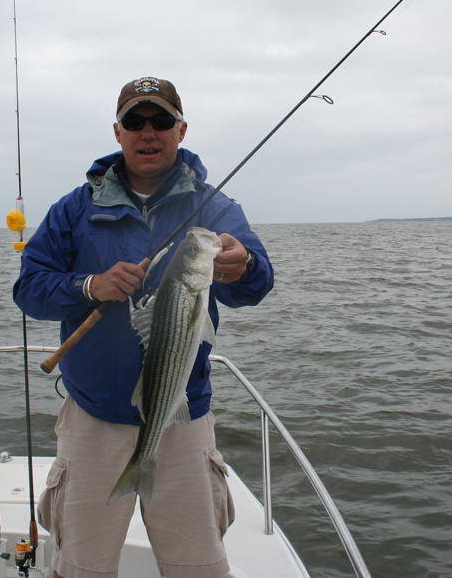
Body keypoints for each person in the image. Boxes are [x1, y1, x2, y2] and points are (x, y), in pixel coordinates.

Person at [14, 76, 273, 578]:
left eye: (160, 121)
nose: (147, 132)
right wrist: (89, 286)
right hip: (92, 420)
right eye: (135, 121)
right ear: (117, 132)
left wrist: (244, 267)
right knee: (80, 568)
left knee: (199, 568)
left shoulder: (215, 207)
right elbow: (29, 290)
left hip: (183, 420)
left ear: (181, 130)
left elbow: (254, 285)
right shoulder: (74, 209)